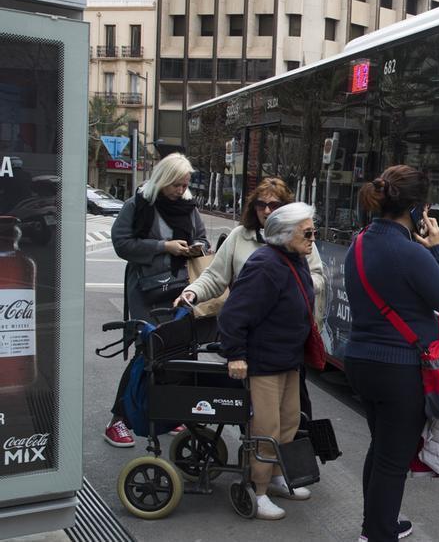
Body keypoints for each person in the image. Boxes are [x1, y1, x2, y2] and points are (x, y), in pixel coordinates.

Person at [344, 165, 439, 542]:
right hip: (398, 368)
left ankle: (377, 524)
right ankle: (378, 533)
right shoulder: (408, 252)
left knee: (382, 448)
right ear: (416, 210)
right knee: (392, 460)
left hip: (361, 361)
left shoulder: (360, 241)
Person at [175, 177, 326, 421]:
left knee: (292, 420)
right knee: (263, 426)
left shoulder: (301, 239)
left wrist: (291, 288)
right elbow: (216, 277)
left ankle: (278, 456)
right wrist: (193, 291)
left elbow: (316, 278)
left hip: (288, 348)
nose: (266, 210)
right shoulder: (241, 238)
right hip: (259, 349)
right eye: (261, 204)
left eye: (274, 205)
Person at [218, 202, 317, 521]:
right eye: (308, 231)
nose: (313, 237)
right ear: (286, 234)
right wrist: (235, 354)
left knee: (288, 422)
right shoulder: (265, 265)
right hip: (263, 361)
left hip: (287, 359)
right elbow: (234, 314)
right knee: (266, 428)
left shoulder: (294, 259)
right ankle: (257, 490)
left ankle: (276, 477)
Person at [106, 153, 208, 447]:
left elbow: (202, 238)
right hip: (147, 293)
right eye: (176, 185)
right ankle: (118, 421)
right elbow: (122, 243)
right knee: (147, 354)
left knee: (180, 353)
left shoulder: (188, 206)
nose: (181, 191)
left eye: (185, 185)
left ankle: (171, 414)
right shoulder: (138, 204)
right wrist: (165, 246)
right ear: (162, 180)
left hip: (181, 290)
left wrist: (197, 247)